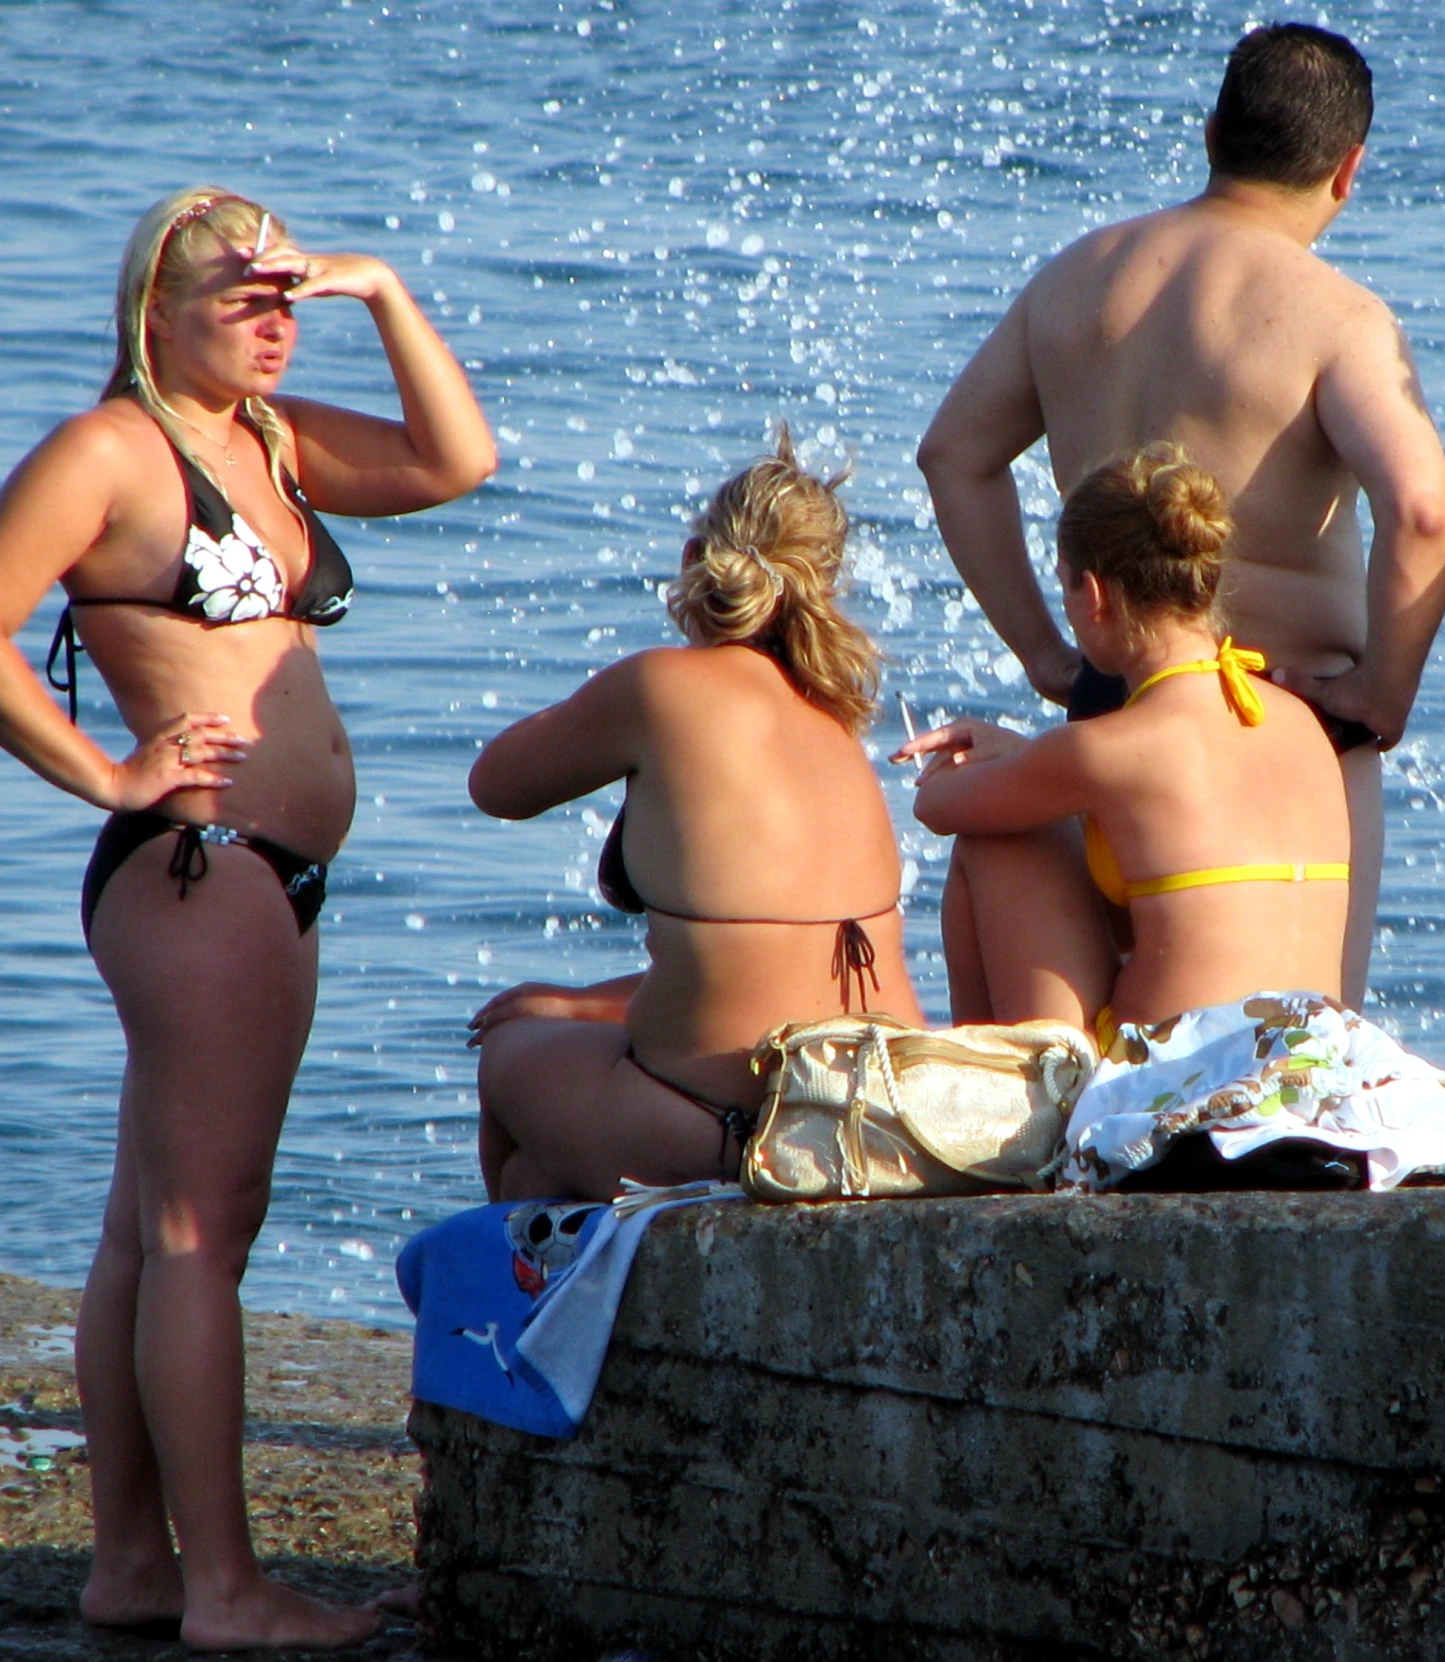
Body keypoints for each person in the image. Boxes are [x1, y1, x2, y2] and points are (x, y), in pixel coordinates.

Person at [0, 189, 493, 1648]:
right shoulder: (111, 451)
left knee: (144, 1237)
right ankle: (227, 1589)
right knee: (202, 1229)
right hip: (195, 862)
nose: (276, 317)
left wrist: (386, 290)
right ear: (156, 307)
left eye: (289, 292)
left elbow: (456, 462)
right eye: (244, 294)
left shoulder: (267, 443)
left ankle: (135, 1569)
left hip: (261, 876)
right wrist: (106, 770)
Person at [916, 21, 1445, 1005]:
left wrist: (1048, 658)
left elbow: (953, 458)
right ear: (1348, 170)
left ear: (1209, 134)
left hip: (1118, 701)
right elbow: (1421, 509)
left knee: (1100, 1030)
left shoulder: (1077, 276)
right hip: (1284, 724)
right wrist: (1383, 694)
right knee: (1295, 1044)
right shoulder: (1335, 318)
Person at [469, 430, 924, 1201]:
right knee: (537, 1173)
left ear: (694, 562)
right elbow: (770, 963)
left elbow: (496, 784)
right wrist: (584, 1003)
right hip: (880, 1108)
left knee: (509, 1056)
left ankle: (517, 1308)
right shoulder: (837, 720)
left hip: (728, 1124)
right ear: (824, 589)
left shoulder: (659, 687)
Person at [893, 443, 1348, 1037]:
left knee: (994, 842)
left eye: (1066, 590)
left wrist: (1006, 763)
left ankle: (994, 1104)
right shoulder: (1298, 720)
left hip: (1184, 1080)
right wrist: (1028, 760)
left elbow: (937, 806)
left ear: (1096, 595)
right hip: (1314, 1063)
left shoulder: (1106, 747)